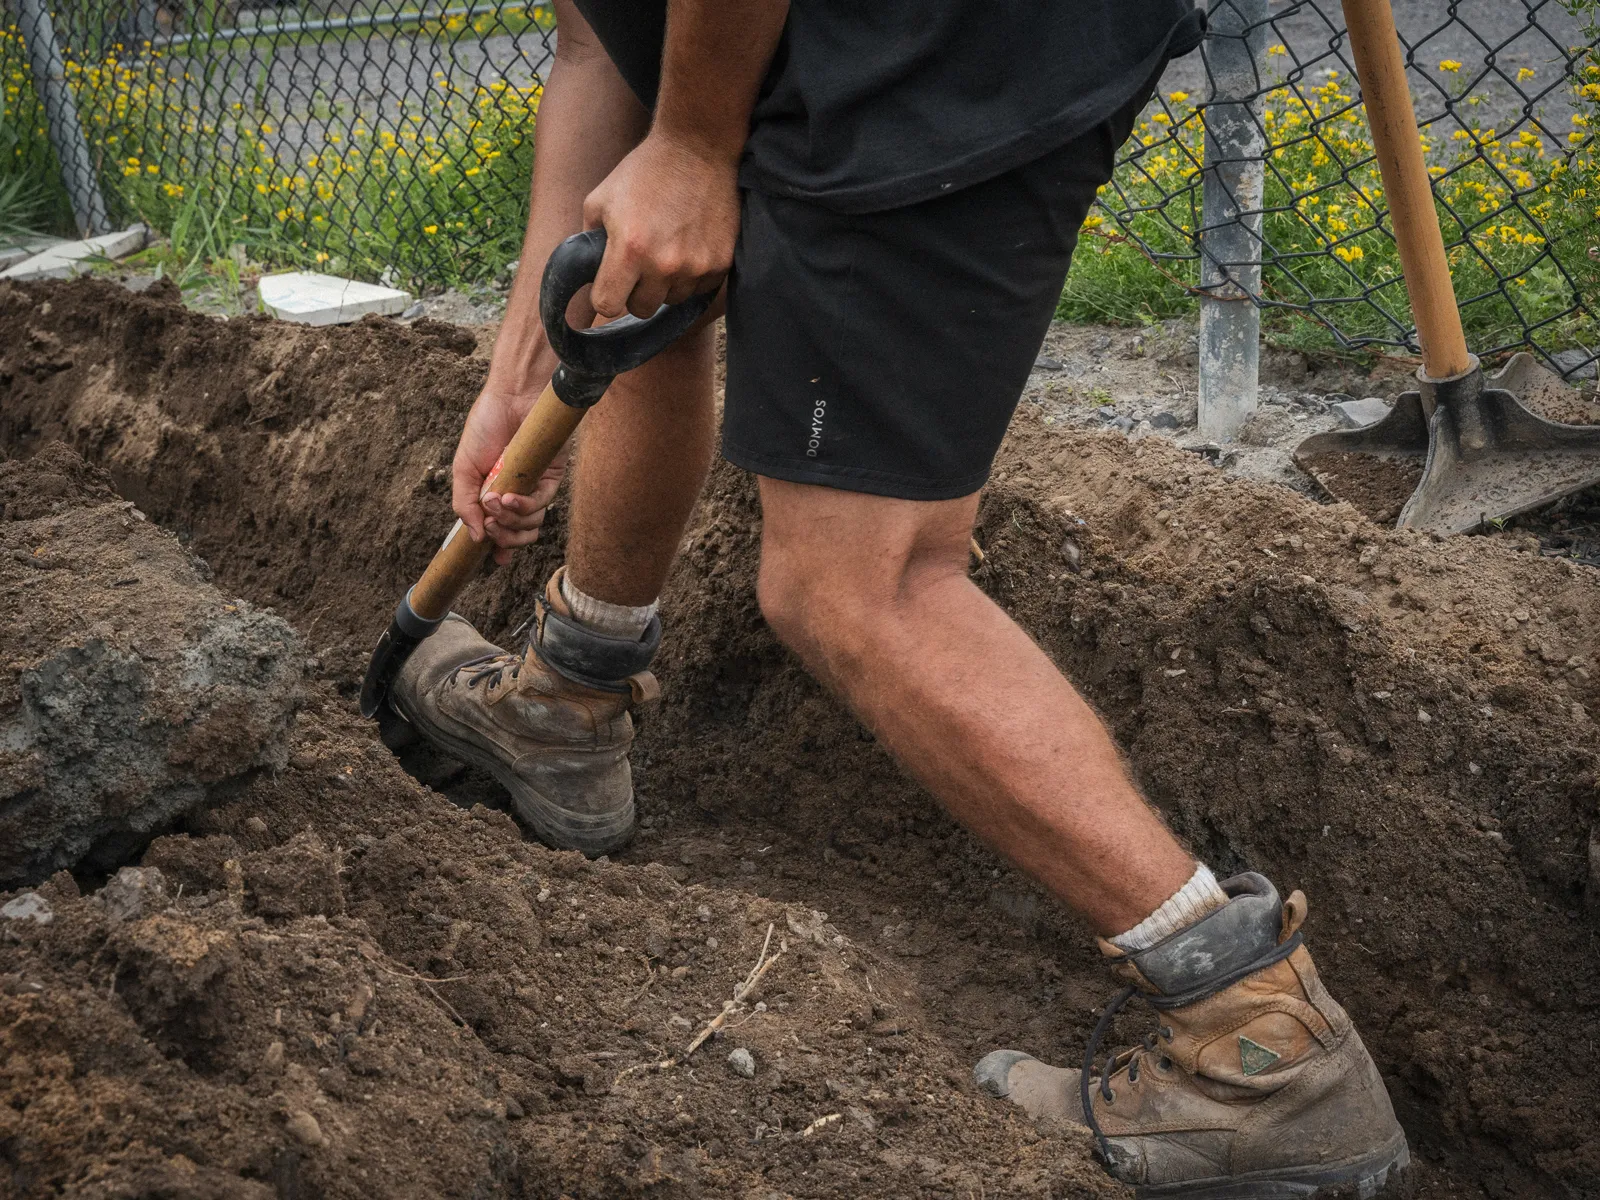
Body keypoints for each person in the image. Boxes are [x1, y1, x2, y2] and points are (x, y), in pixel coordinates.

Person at [389, 0, 1411, 1193]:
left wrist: (694, 146)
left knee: (859, 582)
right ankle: (564, 699)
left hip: (930, 52)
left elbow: (665, 123)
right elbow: (595, 42)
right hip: (817, 50)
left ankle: (1260, 1049)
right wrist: (522, 359)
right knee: (644, 271)